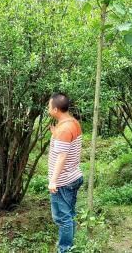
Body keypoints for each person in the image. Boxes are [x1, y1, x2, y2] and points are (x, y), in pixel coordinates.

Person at [47, 92, 83, 253]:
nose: (48, 108)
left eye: (49, 106)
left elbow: (62, 157)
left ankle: (65, 250)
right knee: (69, 215)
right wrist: (55, 135)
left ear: (55, 109)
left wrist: (53, 181)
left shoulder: (64, 129)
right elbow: (66, 146)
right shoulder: (72, 123)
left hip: (63, 181)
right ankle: (69, 248)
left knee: (63, 219)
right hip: (72, 176)